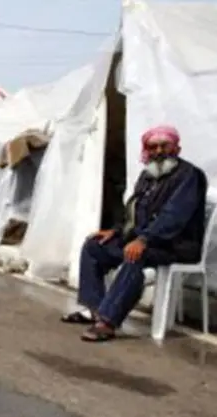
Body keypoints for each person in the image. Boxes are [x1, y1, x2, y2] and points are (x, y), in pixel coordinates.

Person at [62, 125, 207, 342]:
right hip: (146, 240)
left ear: (176, 147)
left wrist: (143, 239)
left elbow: (174, 217)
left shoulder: (189, 176)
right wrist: (117, 231)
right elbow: (134, 211)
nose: (159, 151)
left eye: (164, 146)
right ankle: (95, 309)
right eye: (153, 147)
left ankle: (108, 322)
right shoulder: (148, 176)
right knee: (94, 247)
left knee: (134, 255)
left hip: (175, 245)